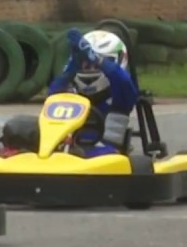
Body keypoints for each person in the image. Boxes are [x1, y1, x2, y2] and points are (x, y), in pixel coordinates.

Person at [48, 28, 140, 157]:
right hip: (68, 150)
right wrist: (72, 67)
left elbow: (122, 80)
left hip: (107, 153)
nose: (92, 69)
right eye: (86, 65)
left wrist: (96, 58)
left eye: (96, 65)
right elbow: (51, 98)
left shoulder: (121, 93)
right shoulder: (72, 92)